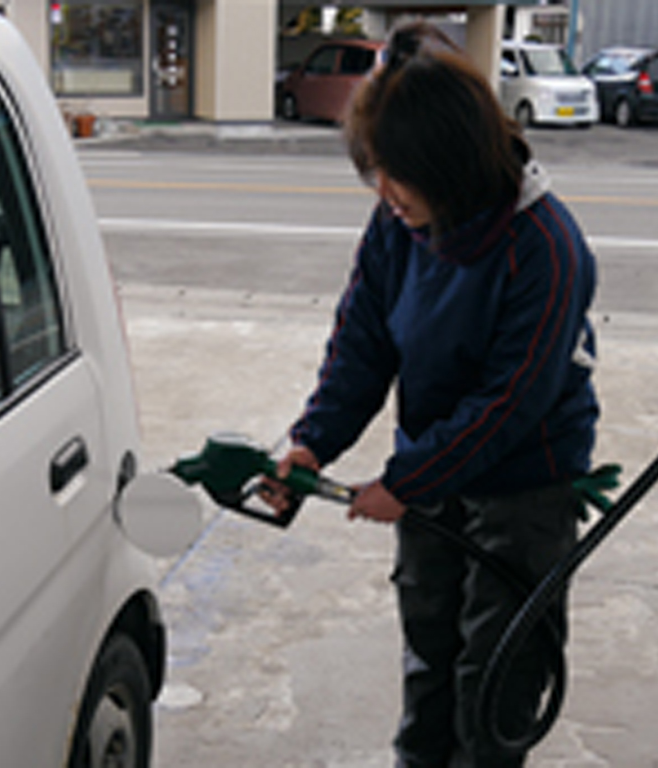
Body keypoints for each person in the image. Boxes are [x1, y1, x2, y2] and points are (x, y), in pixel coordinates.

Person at [266, 20, 600, 768]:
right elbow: (362, 343)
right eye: (374, 172)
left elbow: (512, 401)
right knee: (430, 662)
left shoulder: (545, 247)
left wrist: (407, 482)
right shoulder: (398, 224)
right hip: (433, 469)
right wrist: (311, 440)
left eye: (398, 173)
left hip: (525, 487)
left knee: (495, 683)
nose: (384, 192)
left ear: (450, 163)